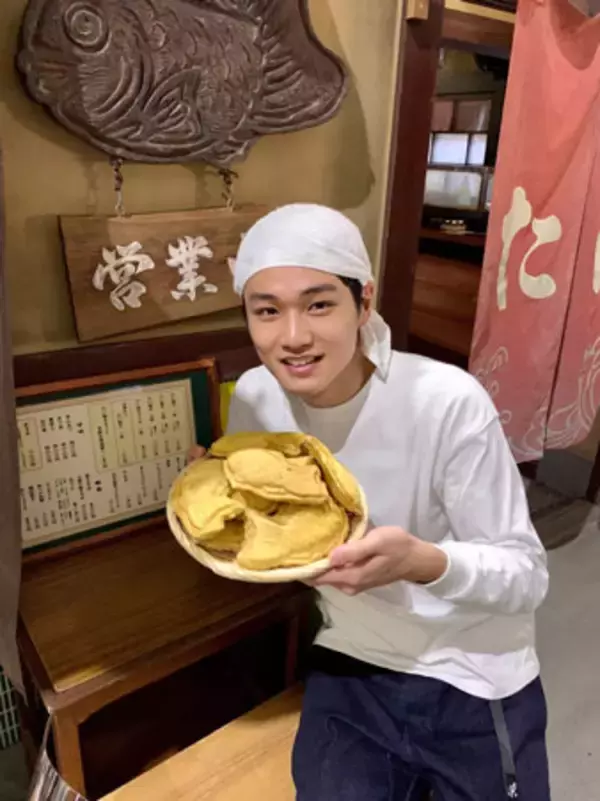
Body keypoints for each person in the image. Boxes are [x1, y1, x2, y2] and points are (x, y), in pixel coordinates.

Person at [190, 203, 550, 800]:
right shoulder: (257, 395)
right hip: (351, 654)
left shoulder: (445, 401)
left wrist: (422, 562)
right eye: (267, 311)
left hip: (472, 667)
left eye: (319, 304)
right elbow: (273, 525)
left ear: (364, 303)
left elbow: (527, 576)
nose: (293, 336)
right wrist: (218, 493)